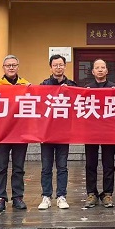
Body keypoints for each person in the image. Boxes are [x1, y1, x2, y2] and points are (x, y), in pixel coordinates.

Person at [0, 55, 30, 212]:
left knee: (19, 167)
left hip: (20, 133)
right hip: (2, 134)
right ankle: (0, 197)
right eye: (8, 65)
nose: (11, 67)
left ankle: (17, 197)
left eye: (14, 65)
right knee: (0, 167)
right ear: (3, 68)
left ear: (18, 67)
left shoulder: (27, 85)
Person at [38, 54, 77, 210]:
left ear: (65, 66)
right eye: (55, 65)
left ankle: (61, 196)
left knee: (62, 166)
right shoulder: (43, 85)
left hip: (63, 133)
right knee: (46, 167)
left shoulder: (72, 85)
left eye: (61, 65)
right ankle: (46, 196)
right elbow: (38, 107)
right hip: (47, 132)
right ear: (51, 67)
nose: (58, 67)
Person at [84, 59, 115, 208]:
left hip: (109, 131)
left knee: (108, 164)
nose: (100, 70)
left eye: (103, 67)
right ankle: (91, 193)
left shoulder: (114, 88)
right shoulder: (87, 89)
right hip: (91, 131)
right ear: (93, 71)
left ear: (107, 70)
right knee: (91, 163)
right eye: (97, 67)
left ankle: (107, 194)